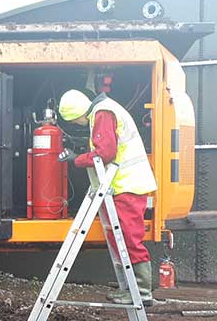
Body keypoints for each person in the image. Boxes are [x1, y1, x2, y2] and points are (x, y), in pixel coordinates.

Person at [58, 86, 158, 304]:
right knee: (118, 237)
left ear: (77, 115)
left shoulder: (103, 113)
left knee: (129, 238)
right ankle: (129, 289)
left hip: (127, 186)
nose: (77, 125)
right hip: (120, 187)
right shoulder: (103, 111)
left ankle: (141, 292)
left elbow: (105, 153)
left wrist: (77, 159)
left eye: (75, 121)